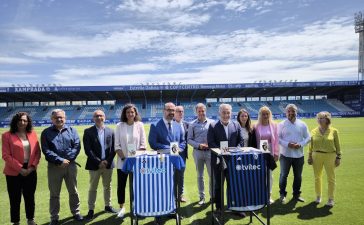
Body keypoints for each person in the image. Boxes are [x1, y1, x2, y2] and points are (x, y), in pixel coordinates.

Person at [41, 109, 83, 225]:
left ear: (65, 118)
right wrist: (60, 160)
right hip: (54, 167)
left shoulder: (72, 130)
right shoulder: (46, 132)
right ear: (52, 119)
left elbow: (77, 146)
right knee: (54, 194)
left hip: (70, 166)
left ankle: (76, 213)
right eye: (56, 117)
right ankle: (54, 218)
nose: (59, 119)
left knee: (73, 191)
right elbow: (46, 150)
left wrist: (67, 160)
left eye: (61, 117)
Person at [2, 112, 41, 225]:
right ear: (15, 121)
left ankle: (30, 220)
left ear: (28, 122)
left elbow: (37, 152)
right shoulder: (7, 135)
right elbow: (6, 155)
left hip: (30, 170)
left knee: (29, 197)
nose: (22, 122)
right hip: (13, 171)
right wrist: (20, 169)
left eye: (25, 120)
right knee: (15, 199)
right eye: (20, 120)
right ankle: (15, 222)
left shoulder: (33, 134)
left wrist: (32, 167)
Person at [207, 103, 246, 213]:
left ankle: (235, 206)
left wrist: (235, 150)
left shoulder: (236, 125)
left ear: (231, 113)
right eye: (224, 112)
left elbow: (241, 141)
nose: (226, 115)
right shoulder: (213, 126)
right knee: (219, 185)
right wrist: (222, 151)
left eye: (228, 112)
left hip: (233, 161)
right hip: (219, 160)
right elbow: (211, 142)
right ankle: (219, 207)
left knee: (234, 184)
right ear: (219, 113)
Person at [83, 110, 117, 220]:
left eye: (101, 115)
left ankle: (108, 206)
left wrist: (107, 161)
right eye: (96, 116)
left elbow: (113, 149)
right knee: (93, 187)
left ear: (104, 117)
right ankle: (91, 210)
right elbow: (88, 150)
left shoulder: (111, 131)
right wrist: (98, 161)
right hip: (94, 165)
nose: (99, 117)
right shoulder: (88, 131)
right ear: (93, 118)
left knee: (108, 186)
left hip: (108, 164)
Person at [114, 104, 147, 218]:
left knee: (137, 186)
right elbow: (117, 145)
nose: (130, 114)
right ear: (125, 114)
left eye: (132, 112)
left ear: (135, 113)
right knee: (121, 186)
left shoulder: (140, 125)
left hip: (137, 162)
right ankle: (121, 207)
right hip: (122, 162)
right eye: (128, 112)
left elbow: (143, 144)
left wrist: (135, 158)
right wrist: (124, 158)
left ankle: (137, 207)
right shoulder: (119, 125)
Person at [278, 104, 310, 203]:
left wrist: (300, 144)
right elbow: (277, 139)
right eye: (289, 111)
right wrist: (288, 144)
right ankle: (282, 194)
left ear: (296, 112)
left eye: (293, 111)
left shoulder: (302, 124)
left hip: (299, 155)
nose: (291, 113)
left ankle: (296, 194)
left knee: (298, 176)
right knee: (283, 175)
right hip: (285, 155)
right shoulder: (281, 124)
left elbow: (308, 138)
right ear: (286, 112)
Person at [308, 111, 341, 207]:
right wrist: (309, 156)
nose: (319, 120)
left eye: (321, 118)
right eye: (318, 118)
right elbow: (311, 145)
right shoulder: (313, 131)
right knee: (317, 177)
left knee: (331, 178)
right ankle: (318, 196)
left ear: (327, 119)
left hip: (330, 156)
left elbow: (338, 146)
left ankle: (331, 199)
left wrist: (338, 157)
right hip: (316, 155)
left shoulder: (334, 131)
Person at [187, 103, 213, 205]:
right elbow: (188, 139)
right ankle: (202, 197)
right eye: (199, 111)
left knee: (212, 176)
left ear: (205, 111)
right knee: (200, 176)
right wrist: (198, 145)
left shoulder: (212, 123)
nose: (201, 113)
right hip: (198, 152)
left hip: (210, 153)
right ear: (196, 112)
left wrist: (209, 144)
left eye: (203, 111)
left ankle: (212, 196)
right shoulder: (192, 124)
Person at [255, 106, 279, 204]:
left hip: (270, 151)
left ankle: (268, 196)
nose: (265, 116)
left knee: (269, 175)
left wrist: (276, 153)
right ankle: (260, 195)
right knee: (260, 175)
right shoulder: (256, 126)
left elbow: (276, 140)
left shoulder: (274, 125)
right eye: (263, 114)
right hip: (259, 152)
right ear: (260, 115)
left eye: (267, 114)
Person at [174, 105, 189, 202]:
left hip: (183, 154)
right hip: (173, 153)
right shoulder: (171, 124)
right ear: (174, 113)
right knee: (173, 175)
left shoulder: (186, 124)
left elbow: (187, 139)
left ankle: (180, 195)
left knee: (181, 175)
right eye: (178, 111)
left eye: (182, 111)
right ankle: (172, 195)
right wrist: (176, 150)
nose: (180, 113)